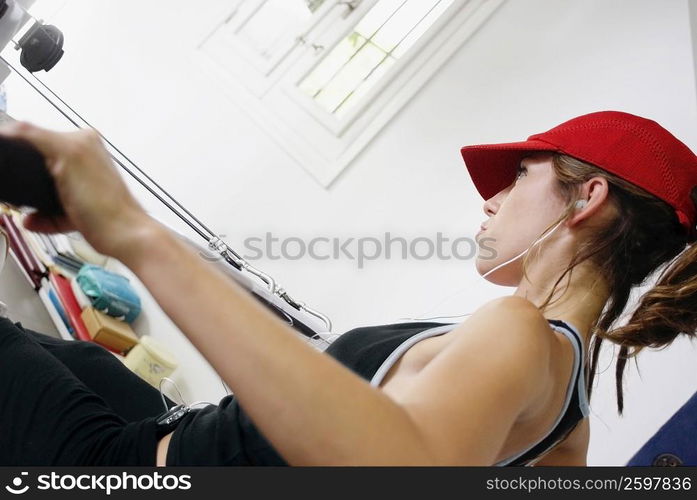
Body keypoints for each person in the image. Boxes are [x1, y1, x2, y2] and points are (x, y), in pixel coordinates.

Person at [0, 110, 695, 466]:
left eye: (520, 176)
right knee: (84, 361)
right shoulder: (570, 436)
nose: (489, 200)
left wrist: (130, 232)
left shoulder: (518, 332)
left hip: (118, 465)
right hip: (162, 432)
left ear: (587, 198)